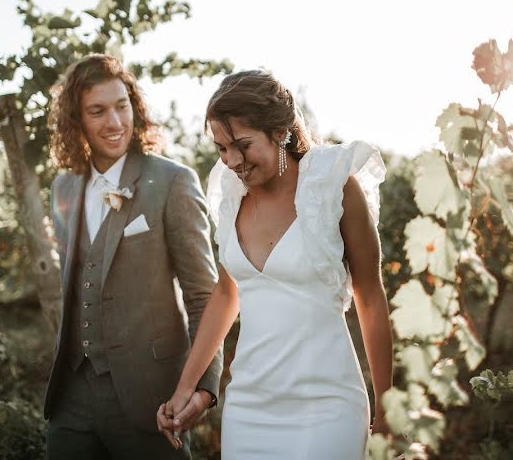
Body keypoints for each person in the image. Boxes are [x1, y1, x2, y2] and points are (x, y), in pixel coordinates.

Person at [156, 70, 395, 459]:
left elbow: (369, 296)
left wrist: (388, 408)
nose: (232, 161)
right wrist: (186, 387)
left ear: (281, 130)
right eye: (221, 148)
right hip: (249, 406)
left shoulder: (333, 183)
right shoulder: (231, 194)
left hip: (328, 404)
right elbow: (226, 293)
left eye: (242, 145)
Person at [43, 53, 223, 459]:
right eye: (98, 111)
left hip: (150, 397)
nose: (115, 122)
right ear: (77, 121)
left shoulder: (173, 182)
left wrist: (203, 389)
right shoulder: (63, 189)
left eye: (122, 106)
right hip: (70, 400)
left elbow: (204, 297)